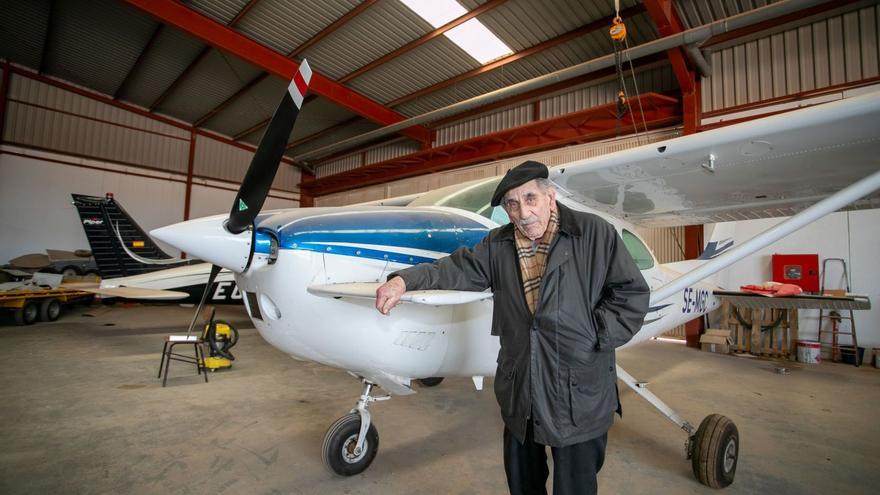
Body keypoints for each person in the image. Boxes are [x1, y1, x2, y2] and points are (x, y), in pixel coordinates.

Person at [374, 160, 650, 495]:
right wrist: (404, 280)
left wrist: (594, 335)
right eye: (512, 204)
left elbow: (631, 294)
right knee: (523, 485)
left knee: (575, 487)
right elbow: (456, 269)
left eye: (530, 199)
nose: (523, 212)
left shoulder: (593, 233)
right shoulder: (498, 244)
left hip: (578, 391)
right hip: (522, 389)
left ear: (550, 197)